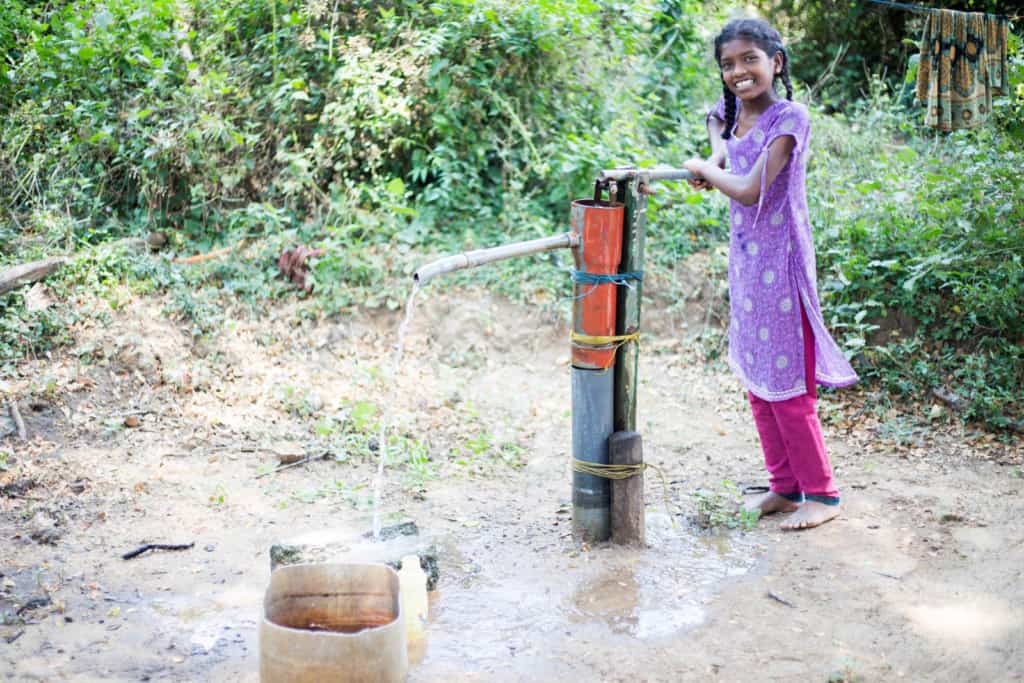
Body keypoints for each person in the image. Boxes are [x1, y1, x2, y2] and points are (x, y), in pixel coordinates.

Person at [683, 17, 858, 530]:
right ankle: (783, 487)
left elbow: (750, 189)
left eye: (749, 60)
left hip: (782, 268)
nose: (739, 72)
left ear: (775, 62)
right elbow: (721, 139)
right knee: (759, 383)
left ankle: (822, 495)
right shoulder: (729, 114)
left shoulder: (790, 117)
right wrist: (714, 160)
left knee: (791, 389)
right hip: (746, 265)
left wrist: (709, 172)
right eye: (728, 64)